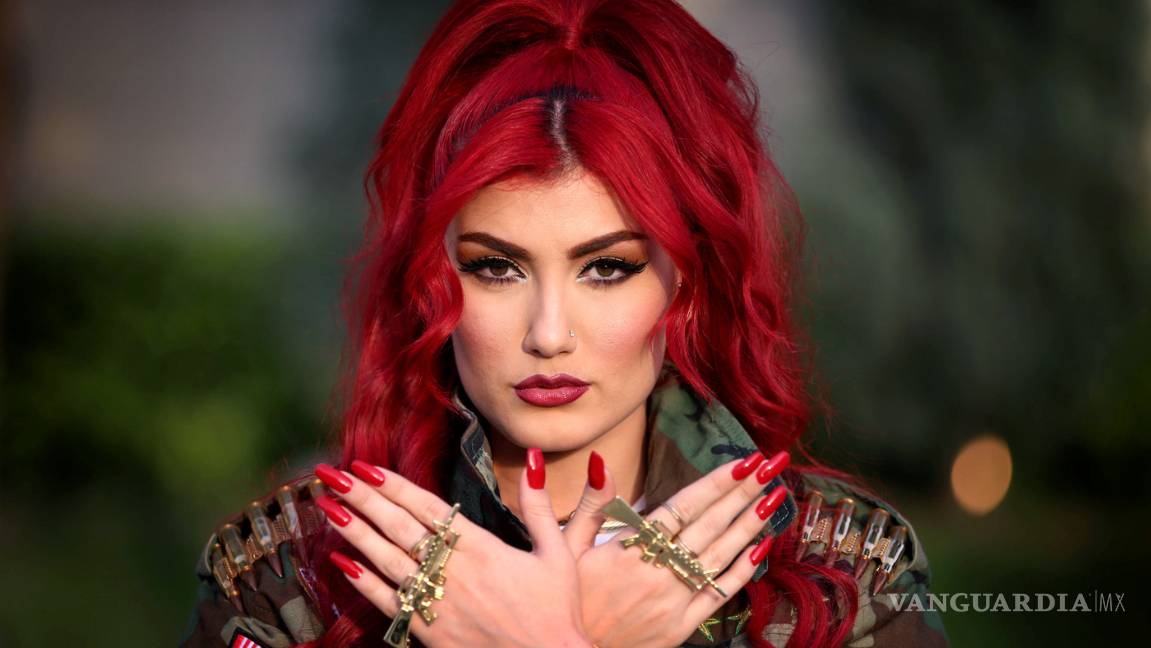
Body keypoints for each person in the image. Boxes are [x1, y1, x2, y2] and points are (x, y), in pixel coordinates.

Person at [180, 1, 950, 646]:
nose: (548, 335)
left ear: (686, 281)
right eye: (495, 267)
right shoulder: (293, 578)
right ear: (429, 279)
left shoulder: (837, 576)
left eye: (606, 267)